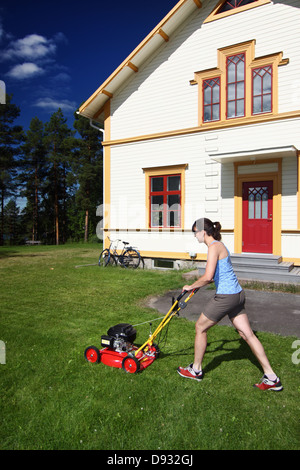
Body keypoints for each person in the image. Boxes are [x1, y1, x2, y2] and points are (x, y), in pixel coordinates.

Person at [177, 218, 283, 391]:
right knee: (247, 334)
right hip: (238, 295)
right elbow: (217, 275)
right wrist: (201, 284)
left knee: (200, 328)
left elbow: (208, 276)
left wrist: (190, 286)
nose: (195, 235)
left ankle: (196, 370)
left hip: (226, 297)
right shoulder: (220, 245)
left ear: (203, 232)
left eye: (195, 231)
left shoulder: (213, 247)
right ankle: (272, 377)